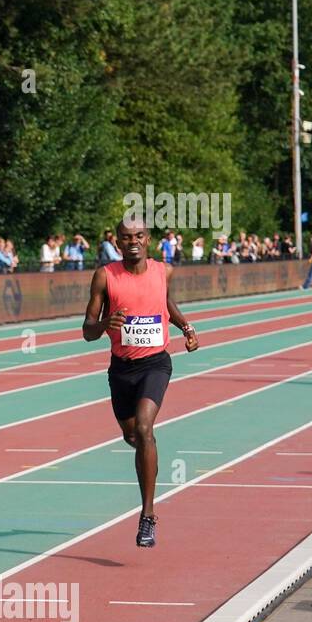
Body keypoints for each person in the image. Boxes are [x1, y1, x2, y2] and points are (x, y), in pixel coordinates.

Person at [82, 218, 199, 549]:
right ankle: (150, 456)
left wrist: (186, 328)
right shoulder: (105, 276)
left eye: (138, 236)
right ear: (117, 241)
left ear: (148, 239)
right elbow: (87, 330)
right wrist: (106, 322)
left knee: (145, 429)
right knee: (132, 434)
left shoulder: (164, 271)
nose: (132, 241)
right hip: (121, 369)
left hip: (155, 363)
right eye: (125, 237)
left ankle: (147, 516)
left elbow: (165, 304)